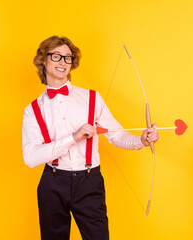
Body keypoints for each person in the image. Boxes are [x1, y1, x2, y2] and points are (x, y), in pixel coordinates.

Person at [22, 35, 159, 240]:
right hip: (53, 182)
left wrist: (142, 140)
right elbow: (31, 157)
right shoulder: (32, 110)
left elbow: (116, 135)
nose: (63, 62)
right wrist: (73, 137)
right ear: (43, 59)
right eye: (56, 56)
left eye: (67, 57)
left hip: (89, 181)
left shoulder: (91, 98)